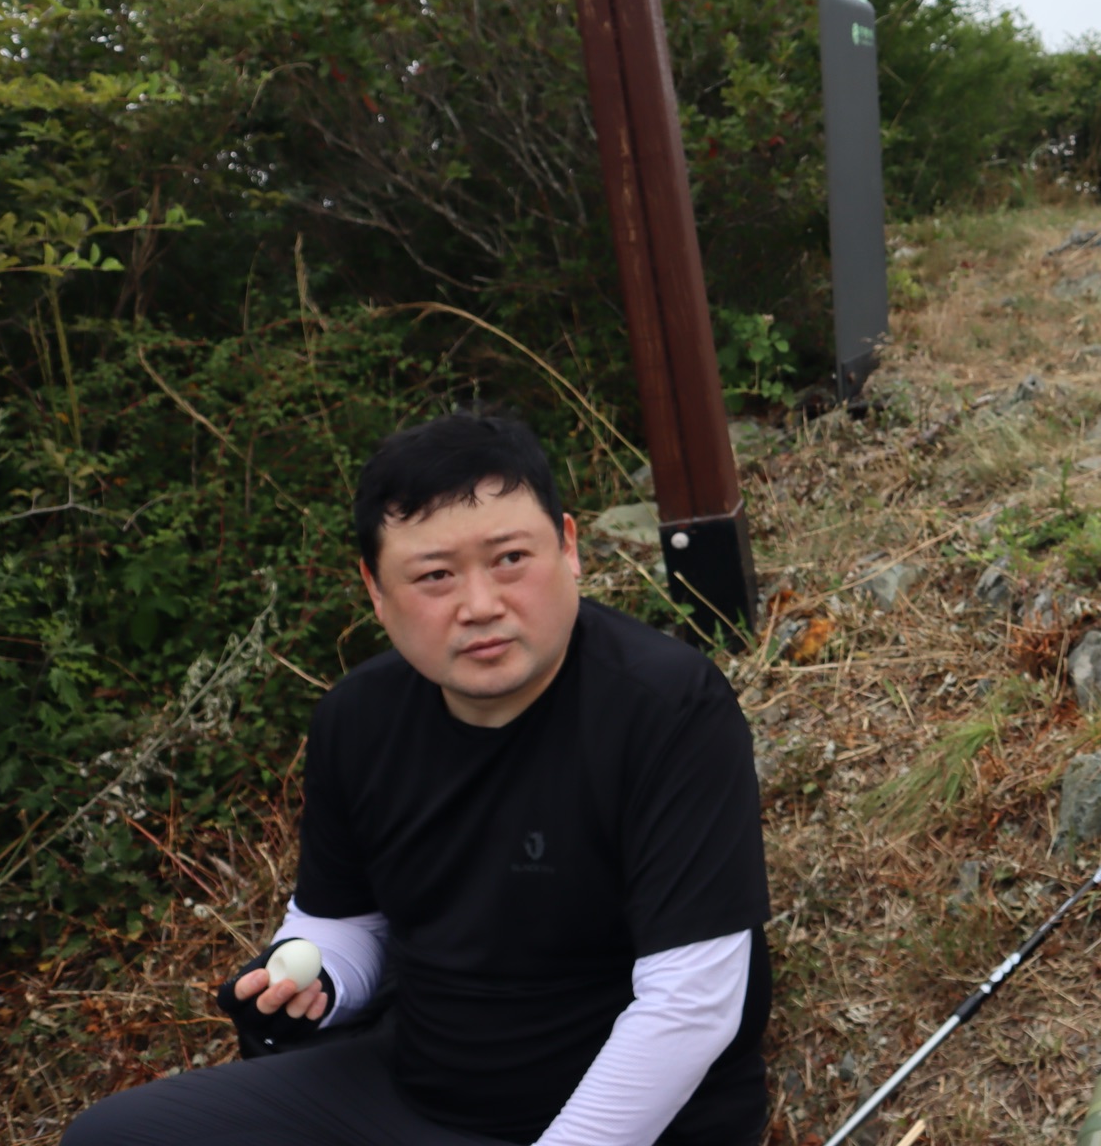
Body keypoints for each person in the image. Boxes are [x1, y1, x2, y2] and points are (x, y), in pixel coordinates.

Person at [66, 412, 771, 1146]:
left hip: (632, 1120)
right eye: (435, 576)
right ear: (375, 589)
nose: (480, 606)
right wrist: (315, 980)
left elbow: (691, 1004)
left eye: (510, 559)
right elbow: (341, 920)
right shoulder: (358, 717)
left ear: (568, 548)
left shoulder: (667, 707)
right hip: (416, 1087)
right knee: (114, 1136)